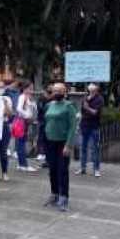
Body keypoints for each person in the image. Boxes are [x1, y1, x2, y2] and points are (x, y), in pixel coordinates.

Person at [42, 83, 77, 211]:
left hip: (62, 143)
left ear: (64, 92)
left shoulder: (69, 106)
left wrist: (68, 145)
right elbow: (45, 122)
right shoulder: (49, 105)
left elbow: (73, 127)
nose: (56, 92)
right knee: (52, 170)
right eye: (54, 90)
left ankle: (64, 197)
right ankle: (54, 194)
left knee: (62, 170)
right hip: (49, 142)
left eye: (59, 90)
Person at [76, 83, 105, 177]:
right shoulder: (85, 98)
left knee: (94, 148)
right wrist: (78, 123)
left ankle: (96, 169)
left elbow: (95, 112)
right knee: (83, 148)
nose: (91, 90)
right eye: (90, 88)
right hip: (84, 126)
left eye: (93, 88)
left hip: (94, 126)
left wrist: (87, 107)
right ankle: (82, 168)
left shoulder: (99, 99)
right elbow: (81, 112)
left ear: (96, 89)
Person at [15, 83, 39, 172]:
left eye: (32, 88)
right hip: (23, 121)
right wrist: (27, 115)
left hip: (25, 121)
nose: (31, 90)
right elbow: (18, 108)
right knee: (21, 143)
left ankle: (21, 163)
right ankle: (23, 164)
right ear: (25, 89)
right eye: (30, 88)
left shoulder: (28, 97)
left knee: (21, 142)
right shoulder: (23, 97)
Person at [0, 81, 13, 181]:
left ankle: (4, 172)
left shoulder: (7, 99)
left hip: (3, 126)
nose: (0, 89)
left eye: (2, 87)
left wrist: (5, 103)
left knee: (3, 152)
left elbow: (9, 114)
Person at [35, 85, 52, 164]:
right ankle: (40, 153)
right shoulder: (41, 98)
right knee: (41, 137)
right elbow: (40, 108)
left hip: (48, 120)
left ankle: (45, 153)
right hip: (42, 120)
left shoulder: (52, 98)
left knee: (47, 138)